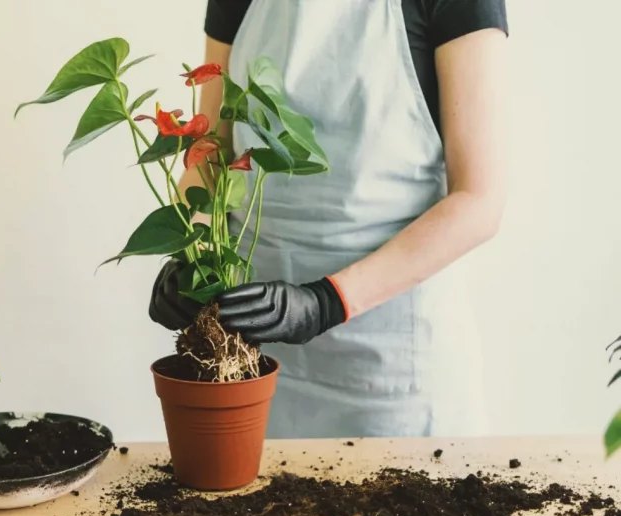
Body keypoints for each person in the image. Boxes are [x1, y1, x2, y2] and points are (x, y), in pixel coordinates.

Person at [150, 0, 509, 439]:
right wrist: (194, 254)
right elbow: (212, 152)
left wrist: (325, 302)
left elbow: (479, 200)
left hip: (389, 363)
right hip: (250, 346)